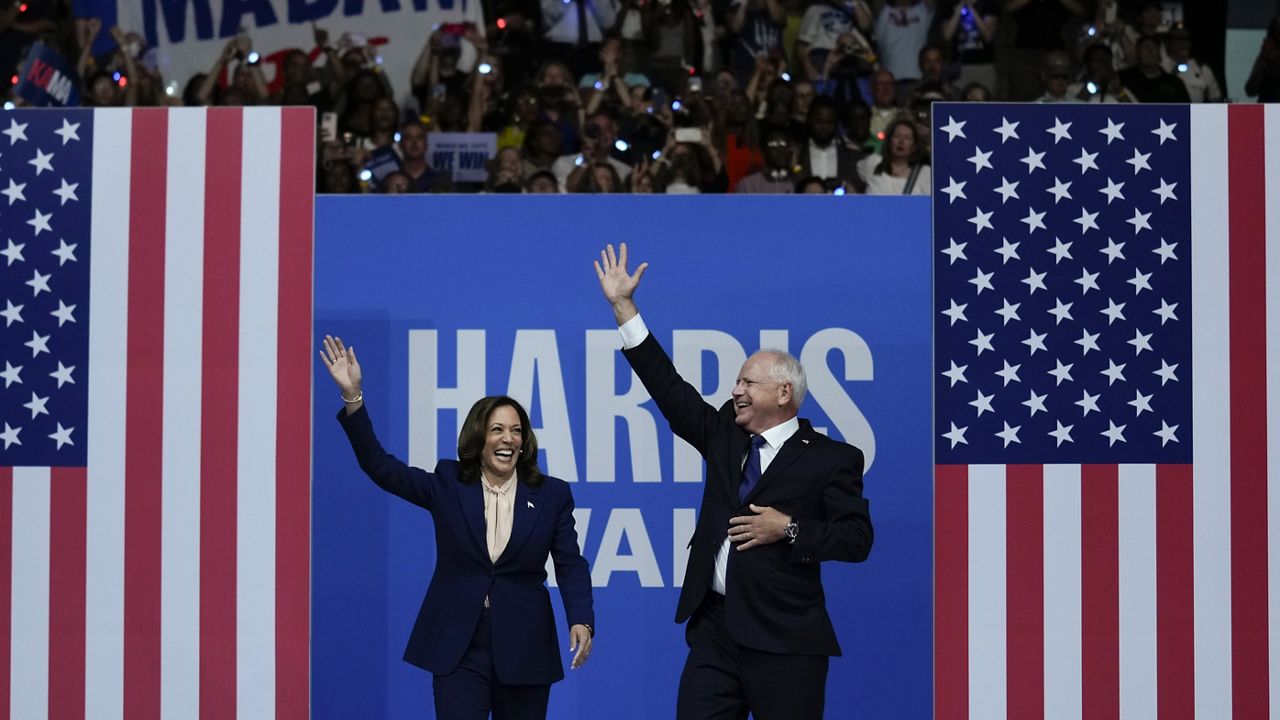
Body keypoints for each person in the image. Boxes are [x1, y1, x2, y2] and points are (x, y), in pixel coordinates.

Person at [592, 244, 873, 720]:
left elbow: (857, 538)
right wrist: (624, 308)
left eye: (748, 383)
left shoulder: (833, 458)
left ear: (784, 393)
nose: (735, 390)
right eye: (737, 383)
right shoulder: (725, 433)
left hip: (786, 641)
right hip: (714, 633)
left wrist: (789, 528)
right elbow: (669, 388)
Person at [319, 336, 595, 720]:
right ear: (479, 438)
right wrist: (353, 398)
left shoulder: (551, 495)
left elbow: (570, 563)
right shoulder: (449, 483)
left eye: (516, 431)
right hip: (460, 643)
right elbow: (381, 467)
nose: (508, 439)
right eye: (497, 429)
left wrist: (580, 617)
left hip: (525, 644)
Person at [858, 116, 930, 195]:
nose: (901, 141)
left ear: (914, 146)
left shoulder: (924, 173)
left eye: (907, 138)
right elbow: (850, 186)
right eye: (897, 136)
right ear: (889, 141)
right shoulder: (873, 163)